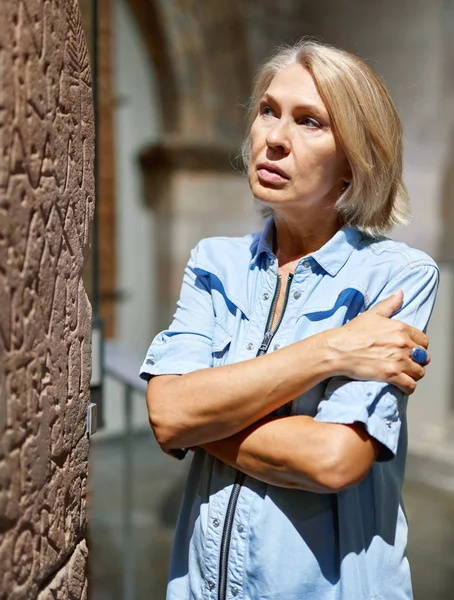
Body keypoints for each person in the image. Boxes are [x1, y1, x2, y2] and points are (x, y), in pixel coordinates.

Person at [140, 40, 438, 600]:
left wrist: (203, 419)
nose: (274, 138)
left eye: (310, 122)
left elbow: (332, 459)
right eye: (268, 111)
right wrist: (331, 351)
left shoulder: (396, 276)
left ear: (356, 159)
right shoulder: (215, 262)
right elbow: (166, 413)